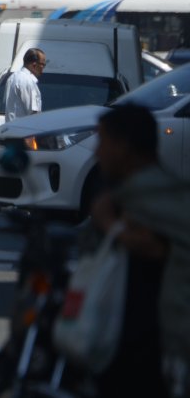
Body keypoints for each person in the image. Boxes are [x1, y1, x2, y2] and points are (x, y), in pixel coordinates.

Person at [89, 105, 190, 397]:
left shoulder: (148, 194)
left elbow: (153, 247)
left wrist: (109, 223)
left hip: (159, 344)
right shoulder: (152, 189)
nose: (97, 152)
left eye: (103, 141)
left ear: (124, 147)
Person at [4, 47, 45, 122]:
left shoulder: (12, 78)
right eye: (42, 64)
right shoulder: (28, 81)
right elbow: (33, 114)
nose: (43, 69)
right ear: (34, 65)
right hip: (24, 131)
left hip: (10, 130)